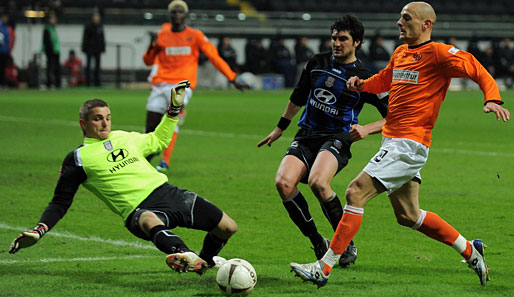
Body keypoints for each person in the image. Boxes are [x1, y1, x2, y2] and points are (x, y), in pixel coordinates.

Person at [290, 2, 510, 288]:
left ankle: (324, 267)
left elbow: (476, 69)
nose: (399, 22)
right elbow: (386, 79)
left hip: (409, 143)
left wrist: (491, 98)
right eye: (400, 17)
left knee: (355, 192)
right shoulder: (402, 53)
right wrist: (362, 84)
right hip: (394, 140)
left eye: (406, 18)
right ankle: (470, 250)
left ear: (426, 25)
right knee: (408, 215)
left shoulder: (439, 54)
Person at [8, 81, 237, 274]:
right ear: (83, 124)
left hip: (168, 193)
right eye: (97, 118)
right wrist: (40, 230)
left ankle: (203, 263)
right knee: (149, 220)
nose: (105, 122)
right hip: (138, 210)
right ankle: (182, 254)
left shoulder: (124, 137)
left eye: (107, 117)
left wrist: (173, 109)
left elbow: (158, 140)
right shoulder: (78, 158)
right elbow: (60, 201)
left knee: (227, 226)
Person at [258, 16, 388, 268]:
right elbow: (298, 96)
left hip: (337, 137)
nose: (336, 43)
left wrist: (367, 128)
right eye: (334, 38)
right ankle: (318, 241)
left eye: (343, 39)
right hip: (307, 134)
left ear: (357, 42)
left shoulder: (366, 76)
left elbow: (393, 115)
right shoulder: (316, 63)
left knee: (318, 182)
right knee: (283, 183)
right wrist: (279, 128)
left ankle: (345, 244)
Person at [143, 0, 249, 172]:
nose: (177, 14)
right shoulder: (161, 35)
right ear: (170, 15)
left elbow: (214, 57)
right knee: (151, 128)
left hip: (182, 84)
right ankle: (148, 157)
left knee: (172, 117)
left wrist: (232, 77)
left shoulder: (196, 35)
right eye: (174, 12)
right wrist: (151, 45)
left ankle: (165, 161)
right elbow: (148, 61)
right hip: (160, 84)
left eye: (180, 12)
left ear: (185, 15)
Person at [81, 11, 105, 87]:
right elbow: (85, 38)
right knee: (88, 66)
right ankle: (87, 83)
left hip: (98, 49)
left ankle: (97, 83)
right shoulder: (88, 26)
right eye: (95, 17)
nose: (97, 18)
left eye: (98, 17)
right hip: (89, 49)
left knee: (97, 67)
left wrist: (103, 47)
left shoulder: (100, 26)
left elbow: (102, 38)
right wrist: (84, 48)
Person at [42, 12, 61, 89]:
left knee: (56, 68)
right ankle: (49, 83)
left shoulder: (53, 29)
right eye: (52, 19)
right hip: (50, 52)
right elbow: (46, 42)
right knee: (50, 68)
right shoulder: (47, 29)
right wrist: (50, 50)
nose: (54, 21)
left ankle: (56, 83)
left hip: (56, 51)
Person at [0, 12, 10, 88]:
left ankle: (3, 83)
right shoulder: (0, 26)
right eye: (4, 18)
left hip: (5, 51)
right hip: (0, 50)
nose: (6, 19)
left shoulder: (6, 27)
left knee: (3, 68)